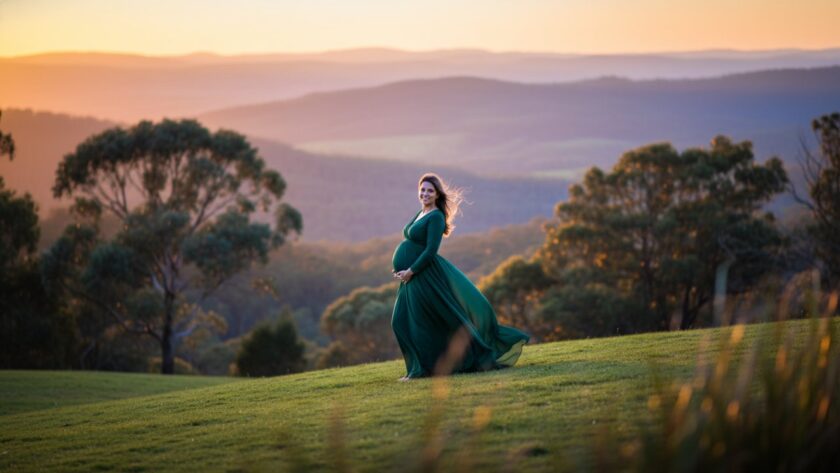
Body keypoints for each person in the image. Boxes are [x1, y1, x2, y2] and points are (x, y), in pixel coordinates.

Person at [391, 173, 529, 381]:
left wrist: (411, 270)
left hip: (422, 275)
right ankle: (422, 368)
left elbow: (430, 250)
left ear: (437, 194)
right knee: (401, 320)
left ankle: (420, 371)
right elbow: (411, 241)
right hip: (410, 276)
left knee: (416, 322)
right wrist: (401, 267)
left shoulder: (436, 216)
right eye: (423, 189)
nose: (425, 193)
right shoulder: (422, 212)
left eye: (430, 190)